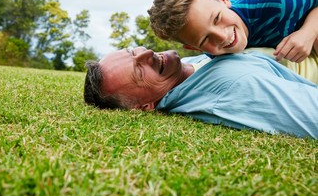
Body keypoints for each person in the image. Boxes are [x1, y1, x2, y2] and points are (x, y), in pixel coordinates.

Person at [84, 47, 318, 139]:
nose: (147, 54)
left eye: (132, 50)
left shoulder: (192, 61)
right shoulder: (234, 88)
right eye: (139, 70)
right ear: (145, 106)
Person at [148, 0, 318, 63]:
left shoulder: (278, 3)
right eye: (205, 39)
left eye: (216, 19)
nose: (222, 37)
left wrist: (308, 32)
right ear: (196, 48)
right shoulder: (213, 54)